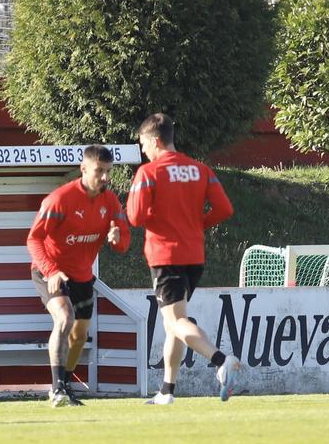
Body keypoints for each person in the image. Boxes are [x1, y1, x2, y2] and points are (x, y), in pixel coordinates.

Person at [127, 113, 239, 405]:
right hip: (194, 255)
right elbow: (224, 209)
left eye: (143, 144)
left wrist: (160, 218)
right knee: (172, 323)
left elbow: (135, 217)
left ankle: (220, 360)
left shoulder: (149, 173)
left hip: (166, 255)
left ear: (154, 140)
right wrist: (196, 224)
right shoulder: (199, 169)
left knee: (176, 320)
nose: (143, 151)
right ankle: (167, 390)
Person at [27, 145, 129, 407]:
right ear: (83, 169)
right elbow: (33, 239)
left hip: (83, 276)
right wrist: (51, 270)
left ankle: (67, 384)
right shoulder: (60, 200)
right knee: (64, 318)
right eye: (99, 171)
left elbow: (123, 241)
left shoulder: (110, 201)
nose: (105, 178)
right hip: (50, 271)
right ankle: (57, 388)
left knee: (79, 336)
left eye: (108, 172)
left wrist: (117, 239)